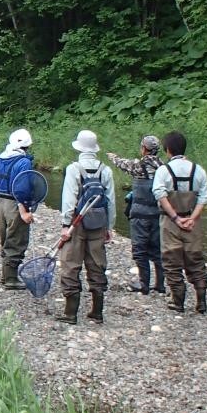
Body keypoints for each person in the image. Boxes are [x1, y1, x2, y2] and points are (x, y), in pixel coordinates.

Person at [56, 129, 114, 324]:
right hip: (99, 224)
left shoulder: (74, 169)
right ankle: (97, 311)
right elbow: (111, 202)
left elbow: (69, 200)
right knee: (97, 265)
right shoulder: (105, 170)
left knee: (70, 265)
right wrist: (109, 227)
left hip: (76, 224)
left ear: (79, 148)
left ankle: (70, 313)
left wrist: (66, 224)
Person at [152, 130, 207, 314]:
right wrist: (192, 218)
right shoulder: (198, 170)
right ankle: (201, 301)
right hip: (192, 222)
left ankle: (178, 301)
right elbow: (204, 197)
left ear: (167, 150)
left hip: (170, 222)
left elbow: (160, 195)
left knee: (172, 261)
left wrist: (176, 218)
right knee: (195, 260)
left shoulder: (163, 170)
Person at [108, 135, 165, 294]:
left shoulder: (138, 166)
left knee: (140, 249)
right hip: (158, 214)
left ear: (143, 148)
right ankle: (160, 284)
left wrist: (113, 157)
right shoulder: (164, 167)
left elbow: (122, 164)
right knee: (157, 249)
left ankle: (144, 283)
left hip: (140, 214)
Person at [0, 127, 36, 289]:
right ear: (27, 146)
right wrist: (25, 211)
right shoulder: (24, 162)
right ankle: (10, 279)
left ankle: (5, 275)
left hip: (0, 202)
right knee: (16, 239)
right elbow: (22, 189)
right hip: (15, 204)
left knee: (5, 237)